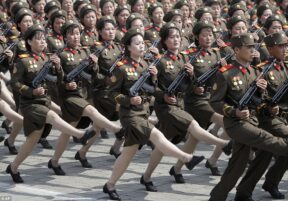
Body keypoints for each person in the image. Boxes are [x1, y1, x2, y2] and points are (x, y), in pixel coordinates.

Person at [103, 28, 204, 201]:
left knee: (128, 154)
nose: (142, 46)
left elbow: (151, 90)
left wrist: (155, 79)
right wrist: (128, 100)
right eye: (137, 43)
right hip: (130, 115)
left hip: (142, 113)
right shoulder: (121, 68)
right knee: (156, 134)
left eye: (143, 43)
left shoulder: (146, 65)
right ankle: (186, 157)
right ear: (128, 46)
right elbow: (112, 93)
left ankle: (110, 184)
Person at [141, 22, 228, 187]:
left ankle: (146, 176)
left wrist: (192, 76)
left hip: (181, 104)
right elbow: (150, 88)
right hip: (166, 107)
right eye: (171, 37)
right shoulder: (159, 61)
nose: (175, 40)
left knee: (162, 144)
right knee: (193, 125)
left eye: (178, 37)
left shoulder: (186, 58)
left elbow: (191, 86)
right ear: (164, 41)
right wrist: (163, 96)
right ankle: (225, 144)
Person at [7, 24, 96, 183]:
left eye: (43, 39)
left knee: (32, 141)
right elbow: (15, 84)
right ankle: (80, 134)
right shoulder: (23, 61)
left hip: (45, 101)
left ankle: (13, 167)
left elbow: (59, 81)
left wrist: (58, 67)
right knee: (53, 116)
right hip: (30, 104)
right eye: (38, 39)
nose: (42, 42)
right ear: (29, 41)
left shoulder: (48, 58)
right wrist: (31, 91)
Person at [209, 33, 288, 201]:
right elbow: (215, 102)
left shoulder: (255, 72)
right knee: (268, 140)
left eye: (254, 47)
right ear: (237, 50)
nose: (253, 50)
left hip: (253, 120)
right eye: (249, 47)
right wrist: (233, 111)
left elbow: (260, 100)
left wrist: (262, 91)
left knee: (237, 166)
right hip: (236, 123)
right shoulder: (226, 74)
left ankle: (219, 196)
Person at [48, 21, 121, 173]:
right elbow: (53, 80)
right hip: (69, 96)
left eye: (77, 33)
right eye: (71, 34)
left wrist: (94, 65)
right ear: (65, 37)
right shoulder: (60, 54)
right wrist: (66, 85)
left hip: (85, 93)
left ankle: (57, 160)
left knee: (71, 129)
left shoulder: (85, 52)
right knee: (93, 113)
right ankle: (116, 129)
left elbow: (94, 75)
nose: (75, 37)